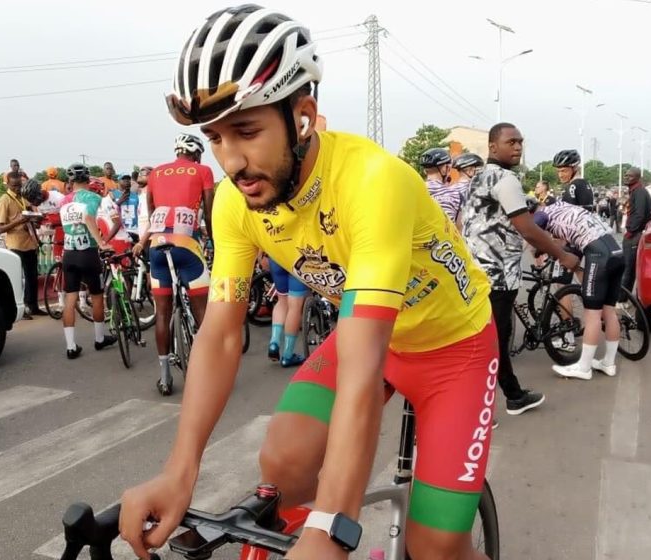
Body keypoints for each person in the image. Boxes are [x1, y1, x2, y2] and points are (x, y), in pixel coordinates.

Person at [121, 6, 499, 559]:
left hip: (453, 351)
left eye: (247, 131)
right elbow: (223, 333)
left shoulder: (373, 181)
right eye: (216, 139)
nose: (232, 161)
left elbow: (363, 369)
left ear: (302, 116)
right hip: (370, 338)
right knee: (285, 462)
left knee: (437, 542)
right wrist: (179, 472)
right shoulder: (233, 202)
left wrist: (333, 526)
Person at [461, 123, 580, 416]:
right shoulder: (505, 180)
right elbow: (526, 227)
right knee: (494, 342)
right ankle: (492, 406)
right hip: (497, 274)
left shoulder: (477, 179)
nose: (518, 147)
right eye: (511, 142)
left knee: (488, 340)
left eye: (520, 142)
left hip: (475, 272)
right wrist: (562, 254)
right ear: (492, 147)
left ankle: (509, 395)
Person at [132, 134, 214, 396]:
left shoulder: (155, 173)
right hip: (187, 246)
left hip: (157, 245)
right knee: (203, 312)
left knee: (163, 312)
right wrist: (212, 240)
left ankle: (165, 377)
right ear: (197, 153)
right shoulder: (203, 170)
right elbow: (209, 212)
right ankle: (210, 372)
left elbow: (152, 207)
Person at [529, 201, 625, 379]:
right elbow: (573, 248)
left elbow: (532, 229)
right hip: (616, 252)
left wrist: (537, 248)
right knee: (609, 312)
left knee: (593, 315)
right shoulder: (564, 207)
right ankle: (608, 363)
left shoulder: (543, 213)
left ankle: (584, 367)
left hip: (599, 256)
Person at [59, 164, 116, 358]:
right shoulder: (92, 197)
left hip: (69, 253)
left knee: (70, 297)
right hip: (88, 252)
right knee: (97, 295)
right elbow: (90, 218)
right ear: (87, 180)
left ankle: (70, 346)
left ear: (71, 182)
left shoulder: (64, 201)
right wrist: (101, 242)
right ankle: (100, 339)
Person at [0, 172, 44, 319]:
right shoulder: (4, 200)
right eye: (14, 186)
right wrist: (19, 221)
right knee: (19, 279)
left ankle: (33, 306)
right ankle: (19, 310)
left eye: (19, 185)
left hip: (29, 242)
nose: (17, 188)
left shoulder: (24, 198)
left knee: (32, 277)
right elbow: (0, 228)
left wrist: (35, 220)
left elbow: (30, 214)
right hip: (15, 244)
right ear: (8, 185)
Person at [264, 254, 310, 367]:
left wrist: (261, 255)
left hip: (276, 256)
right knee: (295, 306)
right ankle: (287, 355)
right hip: (297, 258)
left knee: (282, 300)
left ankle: (274, 343)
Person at [619, 167, 651, 304]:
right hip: (634, 234)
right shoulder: (636, 192)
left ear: (638, 178)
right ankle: (624, 298)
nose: (626, 178)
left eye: (630, 176)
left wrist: (630, 232)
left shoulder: (639, 193)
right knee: (630, 268)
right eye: (625, 175)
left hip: (634, 235)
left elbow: (639, 215)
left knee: (627, 268)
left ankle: (621, 300)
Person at [421, 147, 465, 223]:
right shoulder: (456, 195)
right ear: (445, 169)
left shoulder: (416, 191)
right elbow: (459, 229)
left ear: (425, 171)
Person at [450, 152, 484, 217]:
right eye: (477, 170)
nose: (479, 172)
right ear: (469, 171)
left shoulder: (450, 189)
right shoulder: (477, 188)